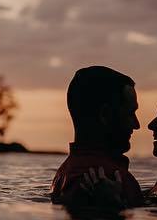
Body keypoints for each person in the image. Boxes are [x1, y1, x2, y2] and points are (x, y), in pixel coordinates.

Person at [51, 66, 145, 210]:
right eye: (130, 113)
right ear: (105, 115)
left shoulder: (64, 173)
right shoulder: (111, 177)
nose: (136, 124)